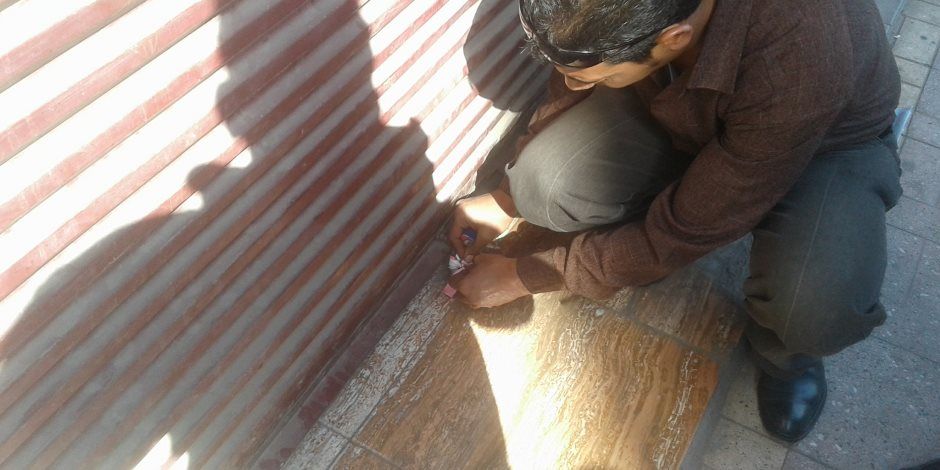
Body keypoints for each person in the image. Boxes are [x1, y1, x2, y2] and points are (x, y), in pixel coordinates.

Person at [448, 0, 902, 443]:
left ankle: (787, 357)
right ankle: (662, 196)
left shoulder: (800, 56)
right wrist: (507, 199)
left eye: (592, 75)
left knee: (816, 307)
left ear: (674, 38)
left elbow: (690, 228)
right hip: (683, 107)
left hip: (824, 144)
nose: (572, 82)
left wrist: (528, 274)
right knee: (541, 185)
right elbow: (570, 68)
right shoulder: (635, 23)